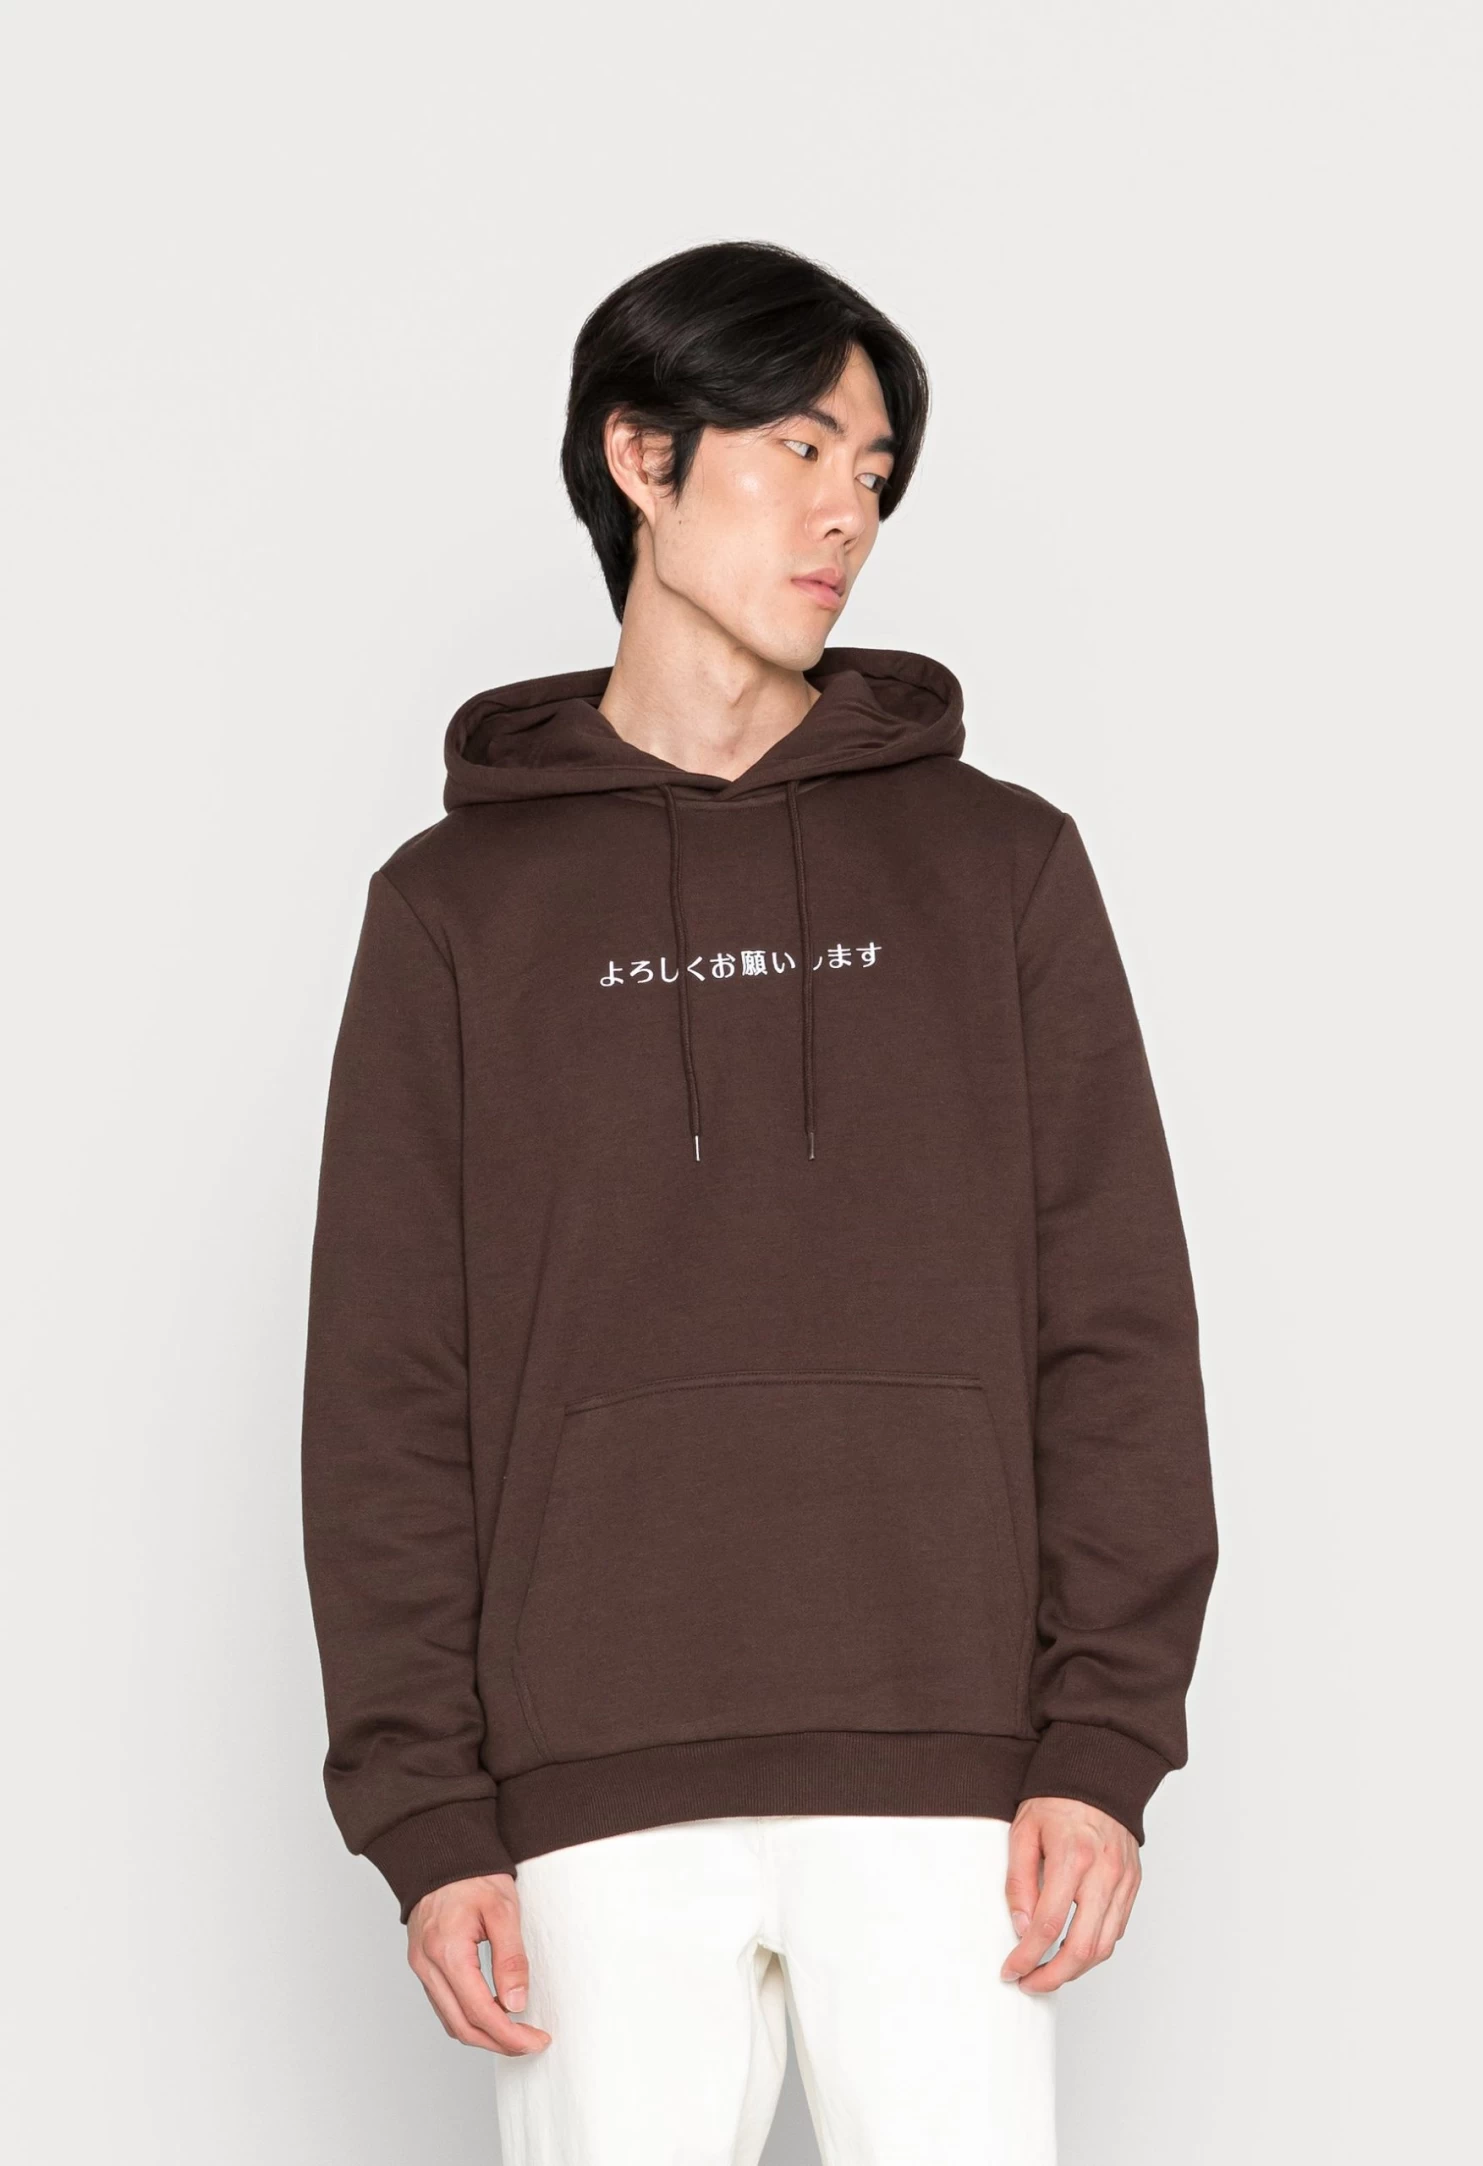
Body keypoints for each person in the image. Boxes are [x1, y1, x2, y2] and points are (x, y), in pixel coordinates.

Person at [300, 238, 1218, 2164]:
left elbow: (1117, 1324)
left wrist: (1104, 1741)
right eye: (799, 447)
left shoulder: (1003, 867)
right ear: (642, 456)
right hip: (586, 1784)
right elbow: (386, 1388)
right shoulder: (452, 912)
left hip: (953, 1771)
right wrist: (428, 1814)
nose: (847, 511)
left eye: (873, 470)